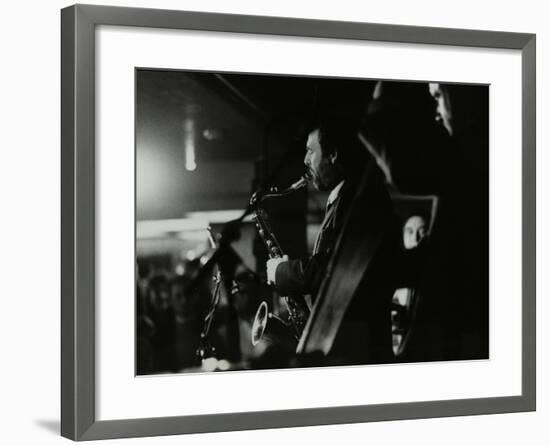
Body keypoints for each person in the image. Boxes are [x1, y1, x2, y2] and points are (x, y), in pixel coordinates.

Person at [265, 118, 400, 364]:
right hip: (350, 342)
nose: (305, 160)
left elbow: (332, 268)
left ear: (334, 154)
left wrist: (282, 271)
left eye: (310, 150)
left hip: (355, 348)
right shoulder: (345, 199)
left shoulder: (357, 201)